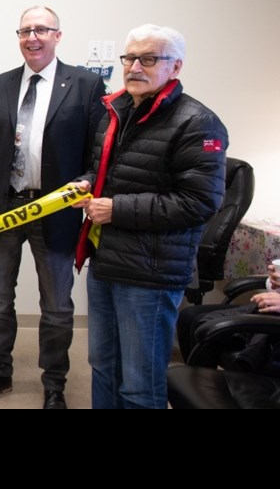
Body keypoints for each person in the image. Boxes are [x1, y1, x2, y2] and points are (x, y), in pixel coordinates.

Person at [74, 24, 228, 409]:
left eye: (148, 58)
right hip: (106, 261)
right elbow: (107, 172)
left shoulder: (199, 123)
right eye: (129, 57)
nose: (134, 67)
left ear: (174, 67)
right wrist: (86, 184)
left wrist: (117, 208)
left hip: (152, 273)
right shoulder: (116, 110)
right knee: (103, 366)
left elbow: (199, 202)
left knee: (140, 384)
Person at [0, 6, 105, 409]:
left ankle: (55, 382)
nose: (33, 37)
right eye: (25, 30)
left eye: (41, 30)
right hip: (4, 207)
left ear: (58, 35)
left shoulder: (86, 84)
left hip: (56, 212)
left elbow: (99, 152)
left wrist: (89, 182)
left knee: (58, 306)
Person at [177, 264, 280, 373]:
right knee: (188, 316)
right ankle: (199, 380)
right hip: (269, 307)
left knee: (206, 325)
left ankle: (238, 378)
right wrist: (273, 280)